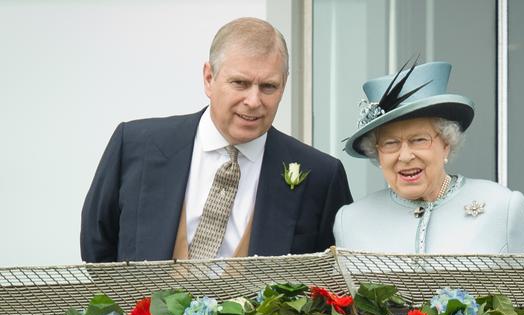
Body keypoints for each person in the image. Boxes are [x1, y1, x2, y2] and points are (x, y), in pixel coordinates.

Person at [81, 17, 352, 262]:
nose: (254, 101)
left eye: (269, 86)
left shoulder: (322, 176)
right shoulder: (134, 145)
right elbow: (97, 247)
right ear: (209, 78)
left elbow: (330, 278)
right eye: (240, 83)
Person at [334, 61, 524, 254]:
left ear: (446, 144)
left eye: (419, 140)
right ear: (377, 153)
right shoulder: (350, 221)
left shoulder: (503, 207)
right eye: (390, 143)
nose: (405, 156)